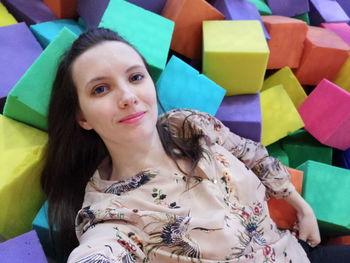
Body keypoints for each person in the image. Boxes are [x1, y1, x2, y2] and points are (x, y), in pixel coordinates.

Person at [41, 27, 347, 263]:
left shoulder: (187, 124)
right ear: (82, 117)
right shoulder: (110, 212)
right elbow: (100, 250)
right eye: (101, 88)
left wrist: (301, 206)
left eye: (135, 77)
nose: (128, 96)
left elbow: (252, 155)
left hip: (297, 252)